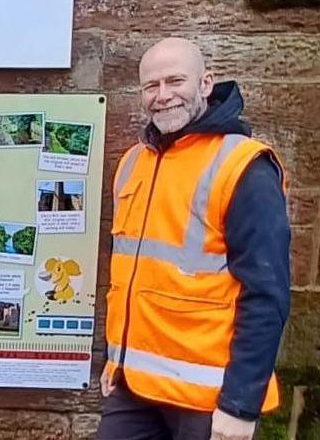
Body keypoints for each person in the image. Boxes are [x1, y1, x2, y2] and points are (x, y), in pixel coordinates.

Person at [97, 38, 291, 440]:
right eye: (152, 85)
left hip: (208, 398)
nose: (163, 95)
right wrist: (113, 360)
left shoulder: (243, 167)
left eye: (175, 81)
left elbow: (267, 293)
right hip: (134, 388)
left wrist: (240, 406)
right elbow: (128, 277)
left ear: (206, 83)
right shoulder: (133, 163)